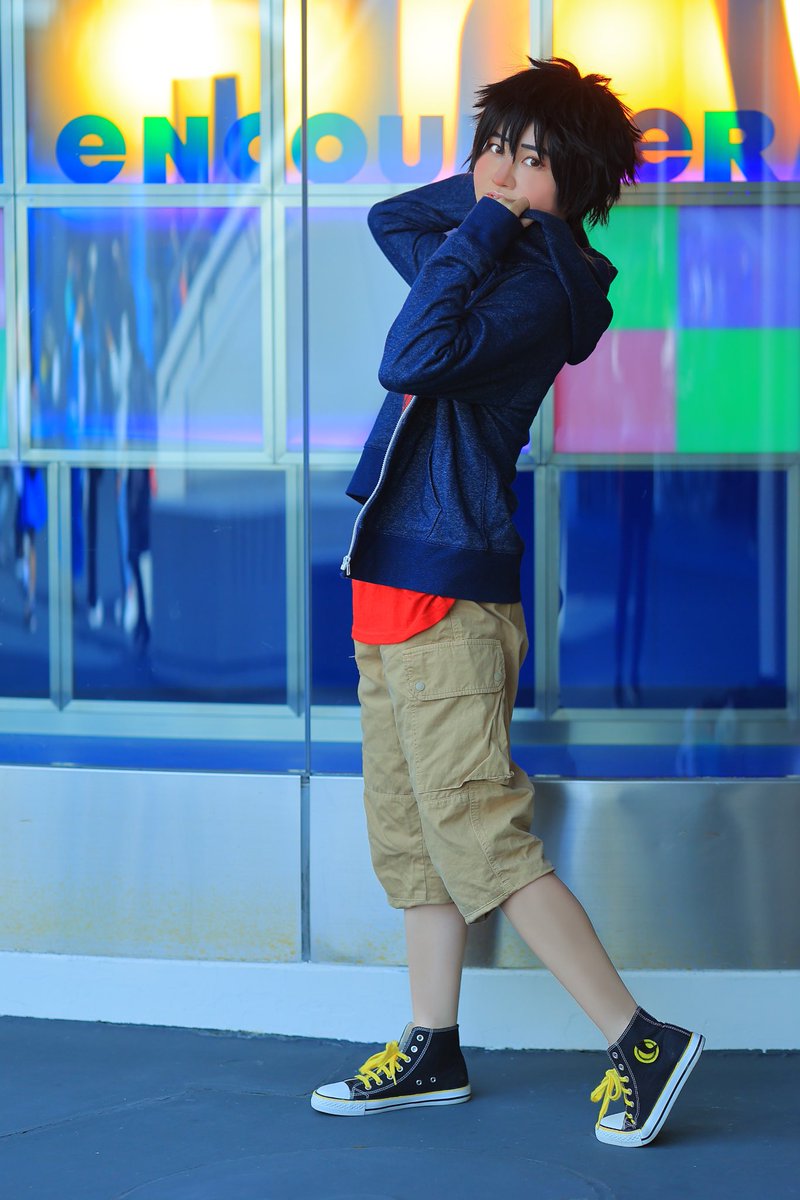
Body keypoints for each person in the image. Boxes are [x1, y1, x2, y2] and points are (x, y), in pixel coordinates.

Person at [311, 57, 704, 1146]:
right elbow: (395, 219)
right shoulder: (493, 249)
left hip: (447, 595)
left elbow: (412, 352)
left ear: (572, 186)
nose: (500, 172)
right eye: (495, 148)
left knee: (481, 836)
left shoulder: (540, 288)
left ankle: (641, 1040)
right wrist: (495, 182)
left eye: (532, 160)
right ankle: (432, 1045)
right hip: (392, 579)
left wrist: (498, 217)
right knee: (413, 839)